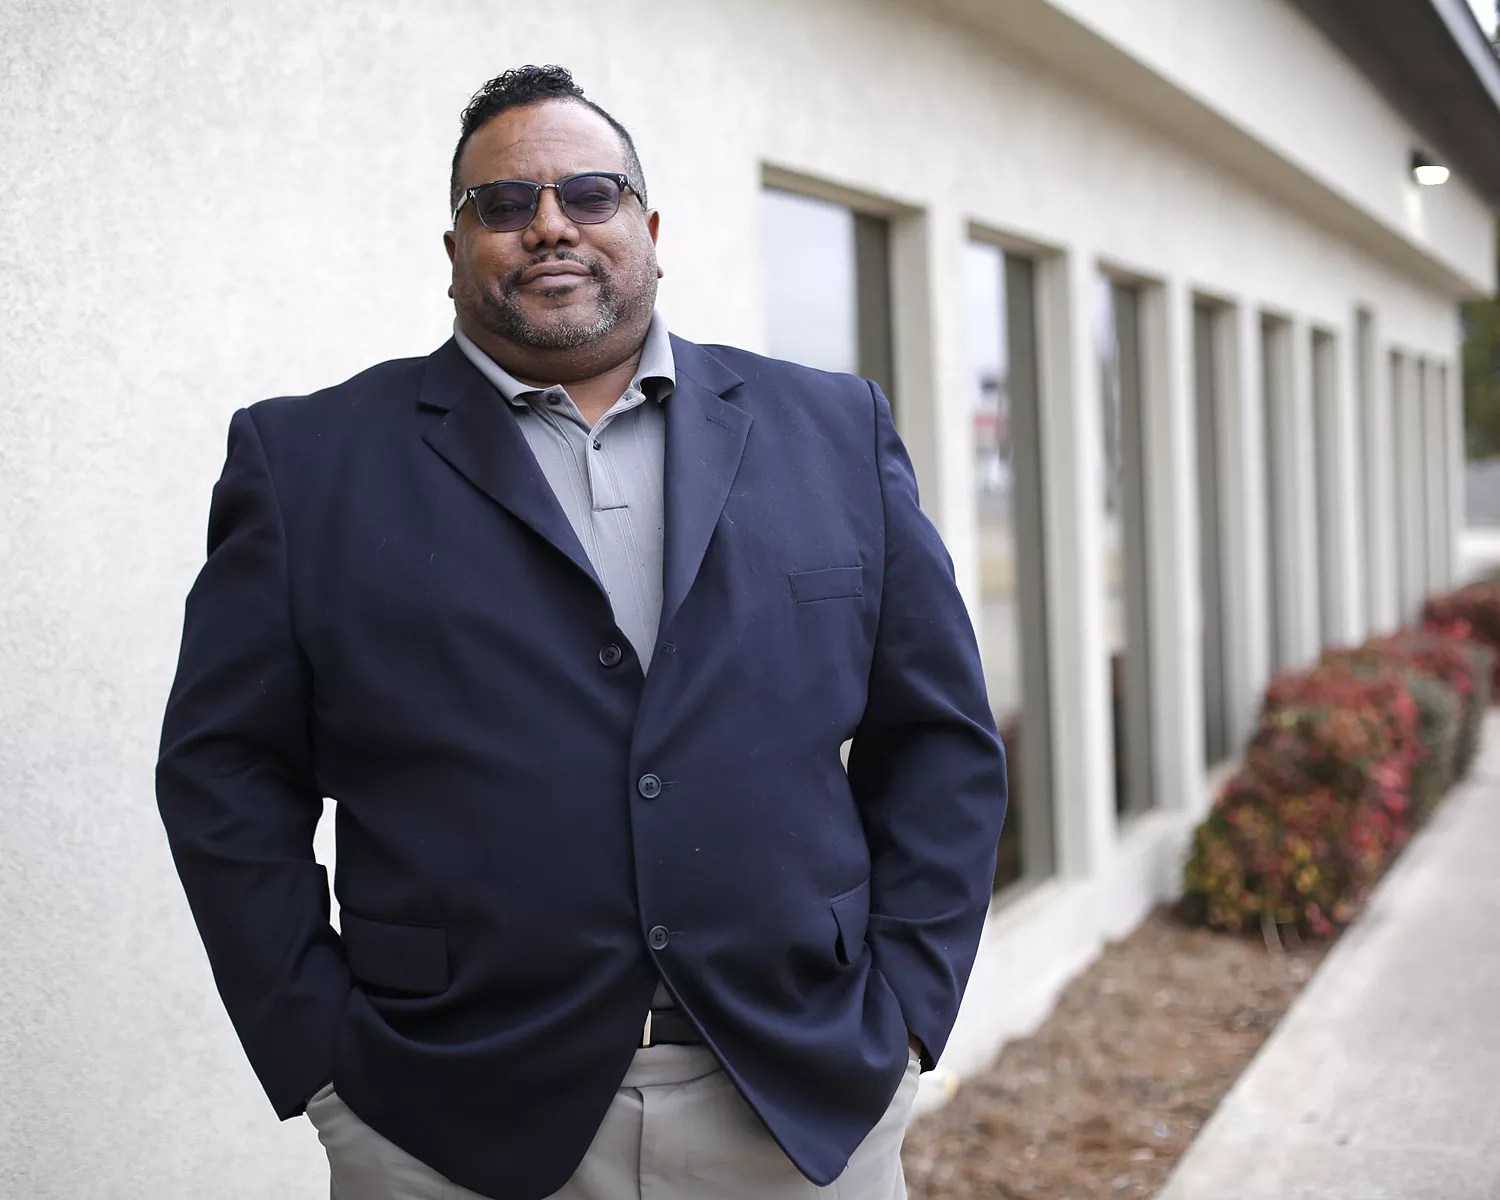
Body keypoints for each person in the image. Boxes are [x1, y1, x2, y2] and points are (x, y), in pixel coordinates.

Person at [157, 64, 1007, 1200]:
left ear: (649, 230)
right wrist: (319, 1059)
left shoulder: (834, 430)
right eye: (504, 204)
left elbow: (941, 740)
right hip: (443, 1121)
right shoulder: (306, 464)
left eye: (590, 194)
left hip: (801, 1101)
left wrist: (905, 1009)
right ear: (454, 248)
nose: (550, 224)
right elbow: (224, 772)